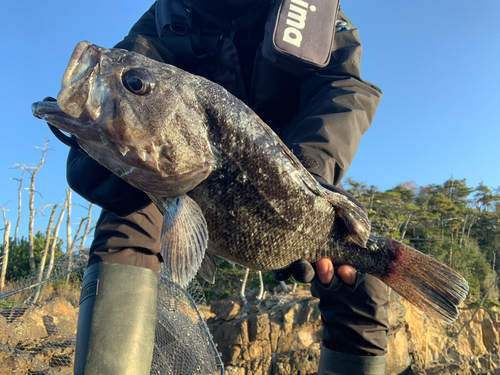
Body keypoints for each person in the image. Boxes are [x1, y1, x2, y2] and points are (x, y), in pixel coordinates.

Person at [67, 0, 389, 374]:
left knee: (357, 271)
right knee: (123, 229)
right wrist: (96, 149)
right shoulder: (164, 17)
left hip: (292, 166)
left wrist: (311, 169)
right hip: (178, 161)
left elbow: (345, 88)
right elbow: (127, 74)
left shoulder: (317, 14)